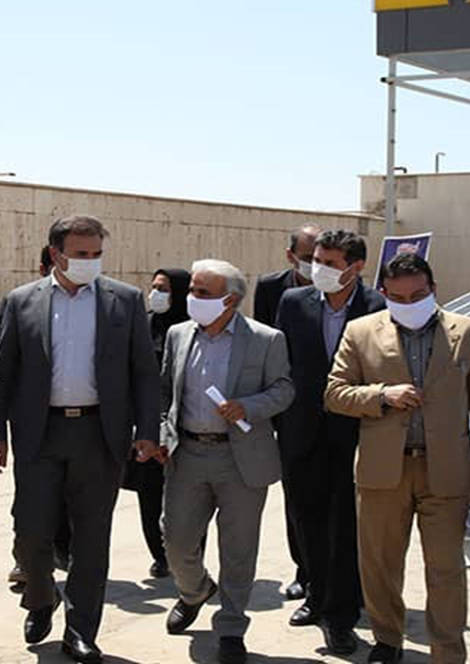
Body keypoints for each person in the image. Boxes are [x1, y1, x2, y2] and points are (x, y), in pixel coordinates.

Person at [0, 215, 160, 664]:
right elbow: (2, 374)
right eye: (81, 254)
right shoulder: (22, 301)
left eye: (97, 254)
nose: (90, 262)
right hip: (39, 433)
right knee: (31, 530)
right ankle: (41, 598)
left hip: (100, 434)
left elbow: (144, 372)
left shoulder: (125, 301)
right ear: (56, 254)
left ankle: (81, 630)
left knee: (91, 539)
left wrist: (147, 432)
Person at [324, 253, 470, 664]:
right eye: (400, 298)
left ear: (433, 290)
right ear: (385, 294)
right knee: (380, 564)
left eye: (418, 295)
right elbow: (335, 394)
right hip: (383, 470)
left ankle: (448, 651)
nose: (410, 304)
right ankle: (387, 641)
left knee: (445, 569)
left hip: (447, 471)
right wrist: (381, 396)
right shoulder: (360, 332)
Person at [161, 259, 293, 664]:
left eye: (202, 292)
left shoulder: (266, 339)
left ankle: (232, 627)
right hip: (187, 454)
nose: (192, 298)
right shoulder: (178, 334)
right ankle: (195, 591)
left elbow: (284, 389)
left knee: (238, 549)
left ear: (230, 300)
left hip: (241, 459)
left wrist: (249, 406)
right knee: (176, 539)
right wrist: (159, 435)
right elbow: (166, 391)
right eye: (192, 289)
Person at [274, 230, 385, 653]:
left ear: (356, 267)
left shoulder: (377, 307)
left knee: (345, 526)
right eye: (316, 260)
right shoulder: (293, 303)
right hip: (300, 432)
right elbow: (281, 364)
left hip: (355, 433)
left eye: (330, 263)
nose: (318, 269)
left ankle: (341, 615)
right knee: (307, 521)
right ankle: (316, 595)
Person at [251, 222, 319, 600]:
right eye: (308, 257)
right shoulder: (271, 288)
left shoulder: (343, 288)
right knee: (296, 494)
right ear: (291, 256)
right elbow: (263, 344)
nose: (316, 265)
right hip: (288, 406)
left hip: (333, 404)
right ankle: (304, 569)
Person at [5, 246, 72, 591]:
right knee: (30, 504)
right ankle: (27, 563)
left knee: (70, 503)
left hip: (80, 427)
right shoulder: (20, 304)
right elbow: (3, 368)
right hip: (34, 426)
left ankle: (62, 556)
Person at [121, 267, 190, 579]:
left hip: (184, 426)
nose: (156, 294)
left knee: (186, 499)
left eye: (164, 289)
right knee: (149, 494)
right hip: (148, 425)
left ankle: (187, 554)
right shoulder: (143, 325)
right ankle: (160, 556)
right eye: (154, 287)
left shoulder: (192, 329)